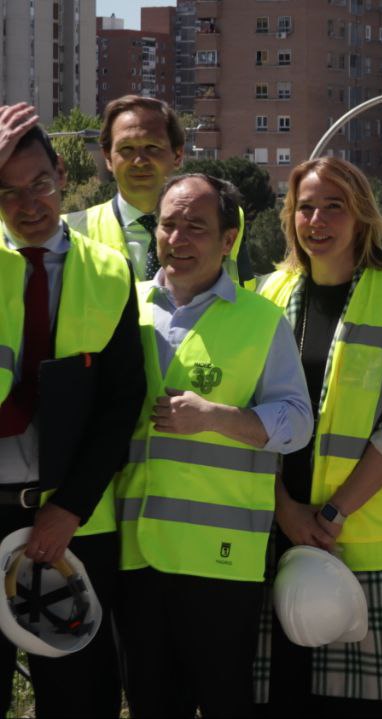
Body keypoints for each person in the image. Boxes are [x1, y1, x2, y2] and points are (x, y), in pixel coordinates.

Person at [112, 173, 312, 718]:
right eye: (168, 225)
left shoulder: (261, 320)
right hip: (136, 553)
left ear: (228, 239)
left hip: (221, 563)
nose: (177, 239)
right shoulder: (125, 308)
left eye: (195, 227)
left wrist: (216, 418)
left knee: (226, 704)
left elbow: (298, 422)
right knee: (151, 704)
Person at [253, 156, 382, 717]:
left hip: (367, 542)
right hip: (277, 534)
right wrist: (285, 509)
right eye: (305, 207)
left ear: (362, 216)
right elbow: (249, 418)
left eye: (334, 206)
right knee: (284, 699)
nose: (318, 220)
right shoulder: (264, 295)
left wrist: (331, 516)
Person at [0, 105, 144, 717]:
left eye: (39, 183)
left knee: (80, 698)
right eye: (7, 191)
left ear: (62, 173)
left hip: (73, 520)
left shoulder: (109, 272)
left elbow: (121, 404)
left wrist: (70, 507)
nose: (28, 204)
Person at [64, 94, 251, 283]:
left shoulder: (224, 218)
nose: (139, 161)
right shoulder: (69, 232)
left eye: (152, 147)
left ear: (178, 155)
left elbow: (243, 292)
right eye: (126, 149)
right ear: (108, 158)